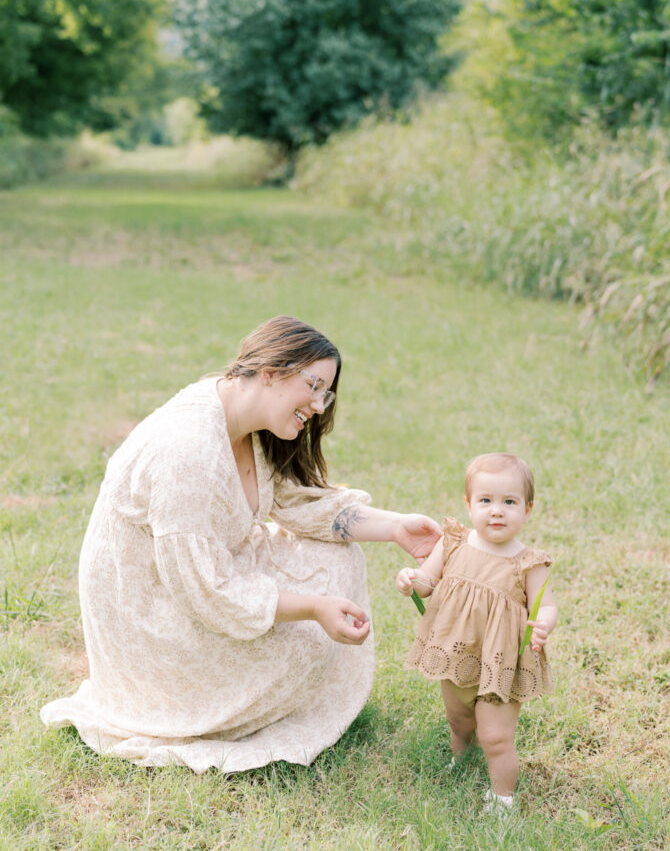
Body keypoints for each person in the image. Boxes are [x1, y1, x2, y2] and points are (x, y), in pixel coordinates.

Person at [41, 315, 442, 773]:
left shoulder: (248, 422)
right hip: (155, 619)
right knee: (307, 640)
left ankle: (267, 687)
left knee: (338, 562)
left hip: (204, 580)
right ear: (271, 372)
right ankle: (207, 709)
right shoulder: (188, 450)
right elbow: (205, 592)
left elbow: (299, 504)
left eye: (325, 392)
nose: (317, 403)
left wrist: (395, 528)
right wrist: (313, 608)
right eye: (312, 386)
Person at [396, 452, 557, 814]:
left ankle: (502, 798)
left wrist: (545, 622)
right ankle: (462, 759)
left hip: (501, 662)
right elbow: (427, 583)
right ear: (469, 505)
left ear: (527, 510)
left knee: (495, 736)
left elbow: (546, 604)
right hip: (457, 655)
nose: (496, 511)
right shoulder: (453, 542)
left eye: (509, 502)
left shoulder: (529, 562)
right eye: (486, 501)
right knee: (458, 719)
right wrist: (410, 579)